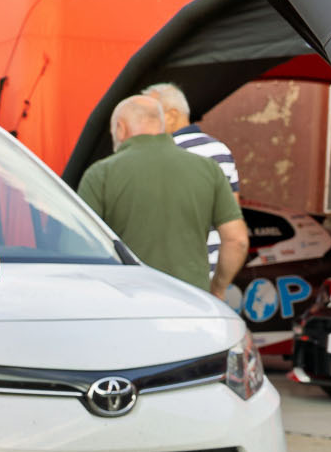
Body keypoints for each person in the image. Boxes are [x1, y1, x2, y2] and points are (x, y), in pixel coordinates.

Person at [79, 92, 249, 297]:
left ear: (120, 128)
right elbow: (237, 240)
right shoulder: (209, 169)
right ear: (161, 124)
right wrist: (218, 288)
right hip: (193, 301)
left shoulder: (100, 174)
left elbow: (80, 246)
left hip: (128, 301)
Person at [146, 80, 242, 193]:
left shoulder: (157, 151)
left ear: (171, 116)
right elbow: (233, 201)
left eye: (149, 115)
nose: (143, 122)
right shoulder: (221, 150)